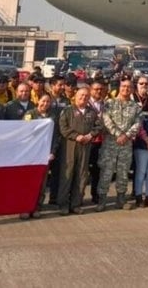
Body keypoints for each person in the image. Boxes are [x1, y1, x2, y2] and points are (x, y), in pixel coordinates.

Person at [97, 77, 140, 211]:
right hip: (110, 143)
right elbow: (106, 120)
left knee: (123, 172)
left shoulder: (135, 106)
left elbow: (138, 124)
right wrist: (118, 134)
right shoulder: (109, 103)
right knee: (106, 172)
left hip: (126, 145)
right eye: (123, 86)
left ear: (132, 89)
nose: (126, 89)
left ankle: (121, 199)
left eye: (129, 87)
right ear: (119, 88)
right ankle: (102, 200)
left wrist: (126, 135)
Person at [57, 86, 101, 215]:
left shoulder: (92, 112)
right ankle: (63, 204)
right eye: (81, 95)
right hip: (69, 147)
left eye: (86, 96)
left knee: (81, 175)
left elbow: (99, 126)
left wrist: (90, 135)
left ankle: (76, 204)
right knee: (67, 175)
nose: (84, 98)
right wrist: (76, 136)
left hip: (85, 147)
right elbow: (63, 127)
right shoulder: (67, 111)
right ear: (75, 96)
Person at [22, 93, 60, 218]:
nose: (45, 104)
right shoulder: (30, 114)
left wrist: (52, 152)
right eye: (43, 101)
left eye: (48, 102)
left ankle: (37, 207)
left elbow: (56, 136)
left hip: (45, 154)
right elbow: (25, 132)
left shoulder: (53, 117)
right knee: (28, 182)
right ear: (38, 101)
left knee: (42, 183)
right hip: (31, 154)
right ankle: (26, 208)